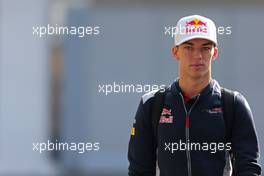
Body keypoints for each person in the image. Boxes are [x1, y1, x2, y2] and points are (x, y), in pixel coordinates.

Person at [128, 15, 261, 176]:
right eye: (189, 47)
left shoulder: (233, 103)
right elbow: (139, 170)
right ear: (175, 52)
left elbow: (249, 168)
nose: (197, 55)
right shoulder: (152, 104)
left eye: (205, 48)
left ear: (215, 53)